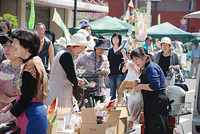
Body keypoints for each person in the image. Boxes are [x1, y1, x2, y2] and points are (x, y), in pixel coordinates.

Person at [0, 28, 49, 134]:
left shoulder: (30, 66)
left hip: (32, 117)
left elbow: (26, 97)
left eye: (15, 42)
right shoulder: (33, 61)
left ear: (26, 45)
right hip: (31, 114)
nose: (13, 46)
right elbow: (25, 92)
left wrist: (6, 116)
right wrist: (10, 105)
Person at [131, 47, 169, 134]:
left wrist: (140, 86)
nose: (135, 62)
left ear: (145, 56)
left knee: (158, 129)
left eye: (136, 59)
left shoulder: (151, 67)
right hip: (151, 104)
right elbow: (148, 82)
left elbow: (155, 85)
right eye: (133, 60)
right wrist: (139, 83)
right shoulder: (145, 68)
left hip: (157, 103)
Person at [44, 33, 88, 107]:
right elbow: (71, 76)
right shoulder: (66, 55)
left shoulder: (62, 53)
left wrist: (76, 79)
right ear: (73, 46)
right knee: (61, 116)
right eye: (80, 48)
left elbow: (65, 73)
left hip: (56, 90)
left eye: (83, 49)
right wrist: (76, 82)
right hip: (60, 91)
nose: (81, 51)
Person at [76, 38, 110, 103]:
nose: (102, 51)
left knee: (102, 106)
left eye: (103, 49)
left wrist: (104, 71)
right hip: (88, 85)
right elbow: (77, 63)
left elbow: (108, 70)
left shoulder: (104, 58)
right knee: (88, 107)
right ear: (96, 48)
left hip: (100, 87)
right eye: (100, 48)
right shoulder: (87, 56)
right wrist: (79, 73)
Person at [0, 33, 22, 110]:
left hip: (14, 115)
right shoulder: (4, 64)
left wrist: (9, 100)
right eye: (5, 45)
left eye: (11, 45)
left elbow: (27, 98)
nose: (6, 49)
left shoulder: (24, 69)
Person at [108, 33, 126, 100]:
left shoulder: (123, 49)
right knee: (112, 92)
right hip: (111, 72)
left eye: (117, 38)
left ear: (120, 39)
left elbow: (125, 60)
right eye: (114, 38)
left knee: (120, 91)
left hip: (120, 73)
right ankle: (112, 107)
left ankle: (121, 106)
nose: (115, 40)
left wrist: (124, 54)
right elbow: (108, 61)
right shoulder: (110, 50)